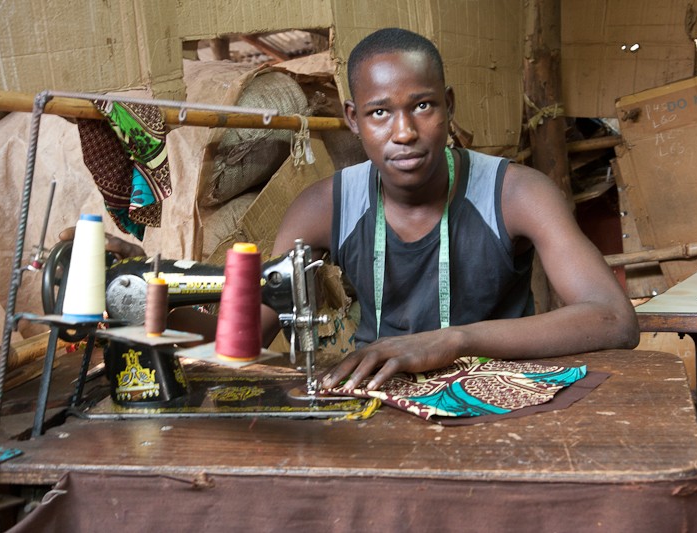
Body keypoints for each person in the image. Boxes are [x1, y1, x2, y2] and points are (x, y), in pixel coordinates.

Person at [263, 28, 639, 394]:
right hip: (381, 398)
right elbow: (243, 336)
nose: (405, 132)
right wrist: (202, 322)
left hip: (501, 396)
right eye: (379, 112)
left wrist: (455, 340)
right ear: (352, 119)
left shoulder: (517, 194)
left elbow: (614, 319)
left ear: (450, 104)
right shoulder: (322, 208)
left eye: (422, 106)